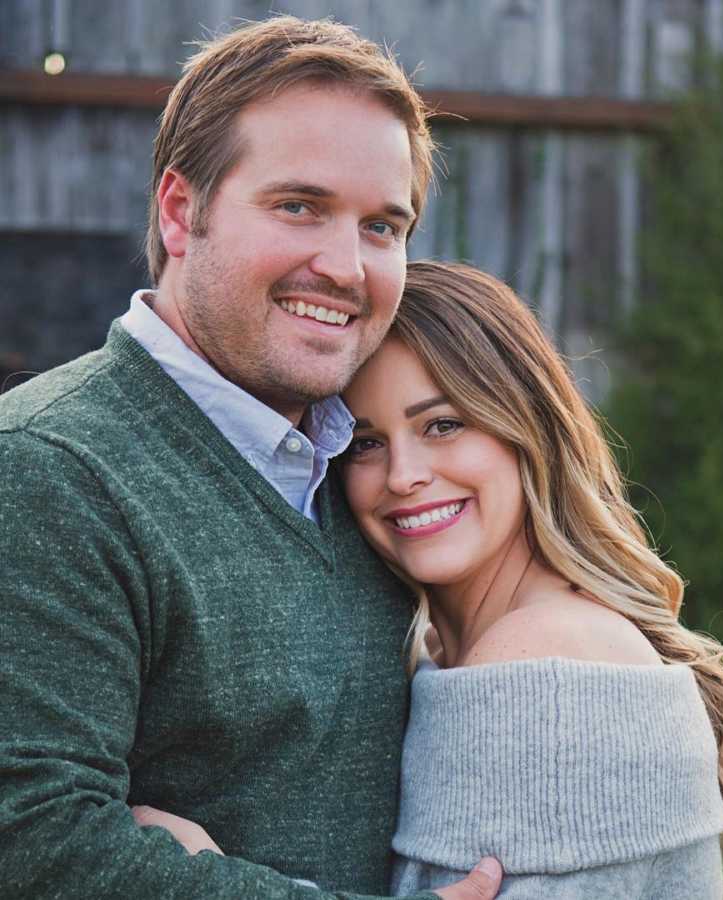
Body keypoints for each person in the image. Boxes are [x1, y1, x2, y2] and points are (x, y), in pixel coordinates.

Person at [0, 17, 501, 900]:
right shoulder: (49, 471)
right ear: (180, 212)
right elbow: (33, 837)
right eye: (299, 206)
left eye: (383, 226)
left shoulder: (369, 464)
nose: (345, 267)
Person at [143, 261, 723, 895]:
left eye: (443, 425)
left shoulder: (543, 659)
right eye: (364, 442)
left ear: (527, 429)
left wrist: (204, 881)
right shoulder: (448, 651)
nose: (403, 475)